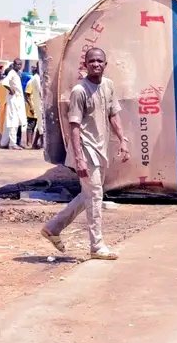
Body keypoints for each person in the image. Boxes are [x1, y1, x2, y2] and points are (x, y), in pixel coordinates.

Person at [41, 48, 129, 260]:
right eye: (92, 61)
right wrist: (78, 158)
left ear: (105, 64)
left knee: (88, 194)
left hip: (100, 150)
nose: (96, 64)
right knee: (95, 195)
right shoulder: (79, 91)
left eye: (99, 61)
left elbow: (113, 115)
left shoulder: (108, 86)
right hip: (85, 150)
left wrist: (122, 140)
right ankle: (97, 246)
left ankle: (53, 227)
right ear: (85, 64)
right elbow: (74, 126)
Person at [0, 58, 26, 150]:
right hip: (13, 100)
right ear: (14, 65)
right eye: (17, 64)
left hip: (17, 100)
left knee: (10, 121)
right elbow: (4, 82)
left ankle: (4, 143)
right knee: (13, 121)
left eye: (20, 64)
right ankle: (12, 143)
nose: (19, 66)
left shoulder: (17, 74)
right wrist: (10, 90)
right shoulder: (11, 72)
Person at [25, 63, 44, 149]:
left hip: (39, 105)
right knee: (36, 125)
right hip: (37, 104)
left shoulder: (40, 78)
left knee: (40, 125)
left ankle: (35, 143)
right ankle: (33, 143)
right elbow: (41, 92)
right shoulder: (36, 79)